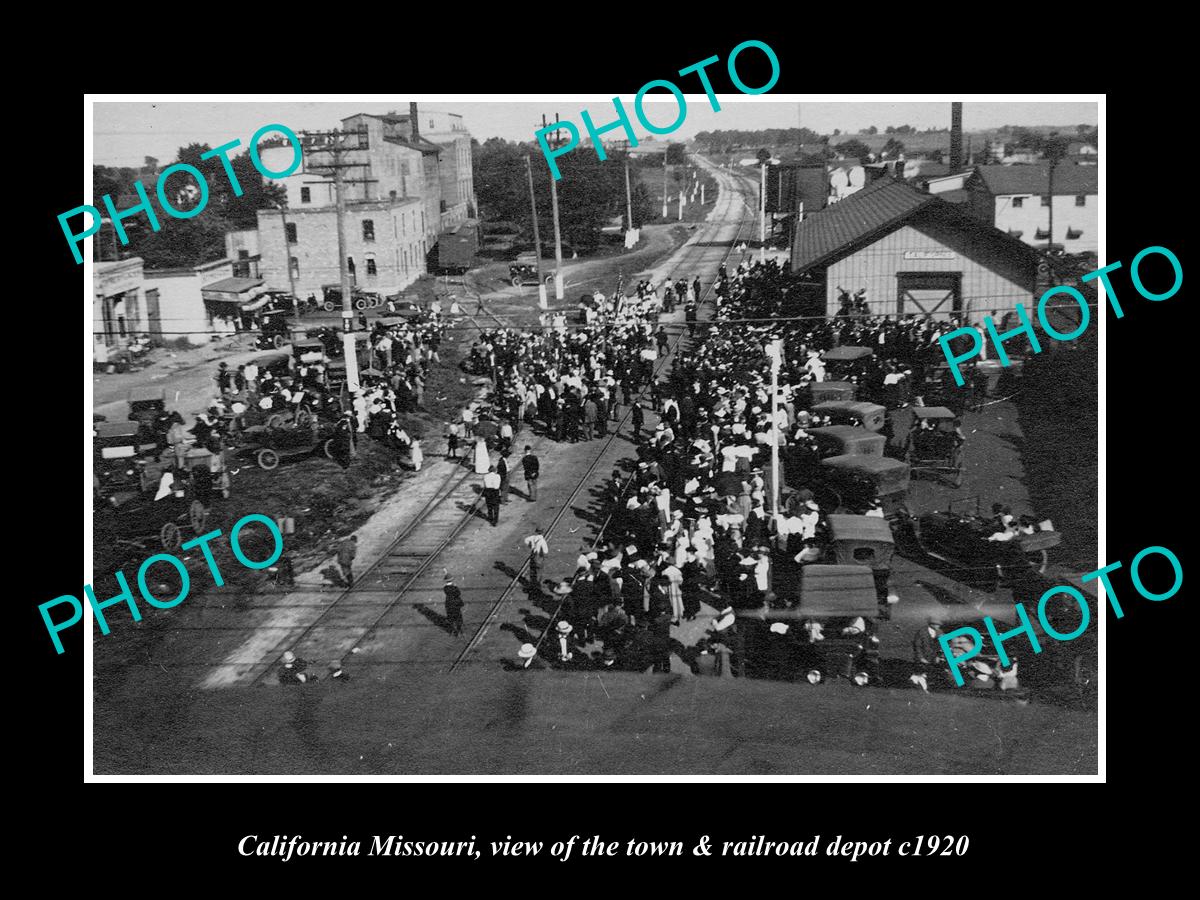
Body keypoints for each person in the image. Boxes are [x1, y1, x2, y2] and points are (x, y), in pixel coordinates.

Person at [911, 617, 942, 691]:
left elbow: (940, 646)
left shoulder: (939, 632)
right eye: (937, 624)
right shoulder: (922, 632)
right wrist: (920, 657)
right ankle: (919, 685)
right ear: (931, 624)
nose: (938, 626)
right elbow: (917, 646)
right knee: (921, 672)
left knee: (926, 673)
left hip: (932, 657)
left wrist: (938, 656)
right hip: (923, 656)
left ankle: (918, 683)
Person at [524, 527, 550, 593]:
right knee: (539, 572)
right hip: (539, 558)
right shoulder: (542, 541)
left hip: (533, 556)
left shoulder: (533, 537)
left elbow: (526, 540)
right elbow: (545, 551)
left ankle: (532, 585)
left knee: (532, 571)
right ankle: (537, 587)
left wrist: (531, 547)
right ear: (542, 532)